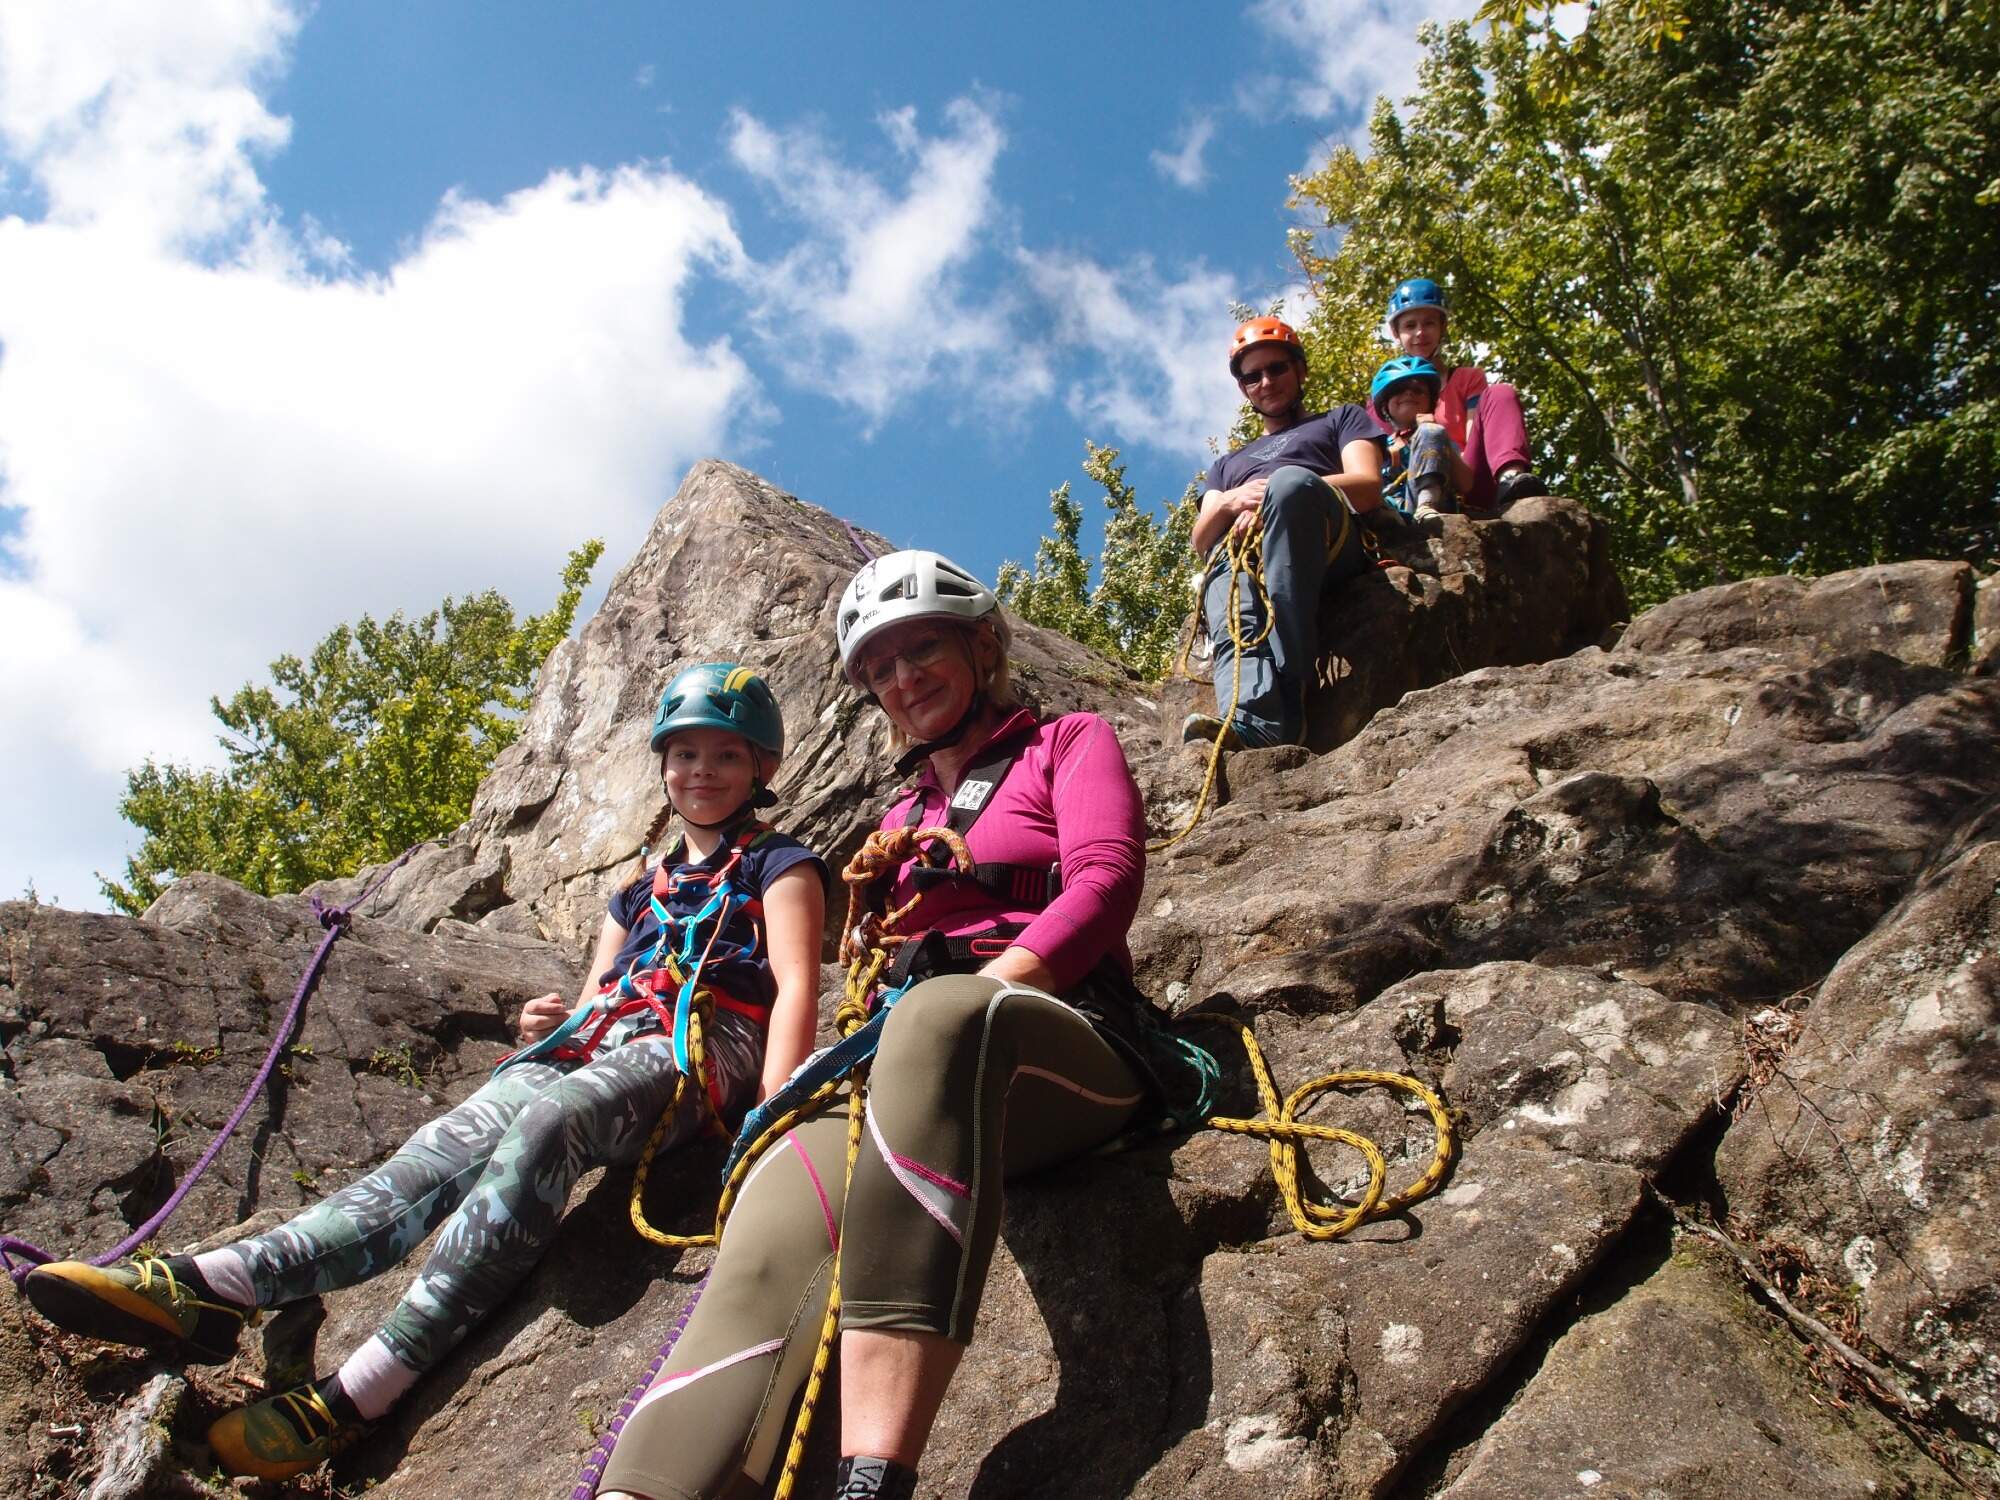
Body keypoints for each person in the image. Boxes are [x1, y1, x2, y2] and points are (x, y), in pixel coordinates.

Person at [23, 663, 827, 1482]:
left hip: (705, 1049)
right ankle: (213, 1285)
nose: (701, 772)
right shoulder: (636, 892)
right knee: (449, 1141)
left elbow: (798, 982)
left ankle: (366, 1389)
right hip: (605, 1040)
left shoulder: (781, 866)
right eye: (684, 753)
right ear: (661, 763)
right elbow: (598, 995)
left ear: (761, 768)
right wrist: (543, 1026)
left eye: (725, 756)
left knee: (555, 1121)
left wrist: (773, 1113)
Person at [595, 549, 1163, 1500]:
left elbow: (1105, 880)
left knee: (943, 1019)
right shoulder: (900, 817)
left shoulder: (1066, 742)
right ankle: (646, 1488)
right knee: (779, 1194)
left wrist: (990, 990)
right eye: (881, 668)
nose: (904, 679)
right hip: (907, 1062)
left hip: (1063, 1037)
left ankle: (874, 1479)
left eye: (923, 648)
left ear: (981, 647)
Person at [1184, 315, 1391, 752]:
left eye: (1276, 368)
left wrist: (1274, 498)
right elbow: (1201, 539)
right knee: (1221, 574)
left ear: (1299, 370)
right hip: (1248, 551)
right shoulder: (1226, 467)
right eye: (1252, 376)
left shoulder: (1340, 421)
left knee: (1290, 484)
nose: (1266, 381)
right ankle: (1254, 721)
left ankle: (1292, 680)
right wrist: (1229, 501)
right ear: (1243, 389)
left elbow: (1367, 485)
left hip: (1325, 535)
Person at [1381, 277, 1547, 514]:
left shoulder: (1467, 379)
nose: (1420, 332)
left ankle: (1511, 479)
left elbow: (1472, 443)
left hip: (1467, 478)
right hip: (1413, 486)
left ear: (1442, 327)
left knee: (1501, 393)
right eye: (1410, 325)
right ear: (1396, 332)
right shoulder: (1387, 396)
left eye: (1429, 323)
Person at [1369, 354, 1469, 529]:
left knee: (1430, 432)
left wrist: (1434, 432)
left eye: (1418, 390)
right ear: (1385, 405)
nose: (1408, 393)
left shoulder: (1438, 435)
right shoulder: (1377, 445)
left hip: (1433, 509)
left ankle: (1427, 504)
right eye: (1398, 390)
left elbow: (1466, 484)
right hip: (1392, 510)